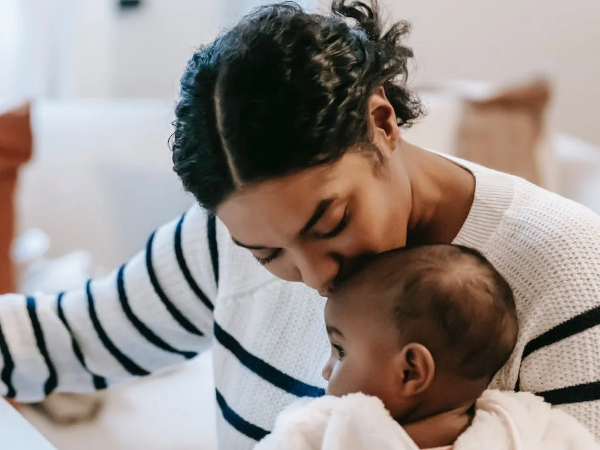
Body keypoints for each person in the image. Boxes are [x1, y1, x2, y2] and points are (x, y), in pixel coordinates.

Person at [0, 1, 598, 448]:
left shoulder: (567, 272)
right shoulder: (220, 241)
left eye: (330, 221)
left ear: (383, 123)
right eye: (265, 255)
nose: (314, 276)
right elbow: (57, 342)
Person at [256, 245, 599, 450]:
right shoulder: (317, 434)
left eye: (340, 350)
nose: (326, 369)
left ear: (411, 372)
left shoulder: (522, 432)